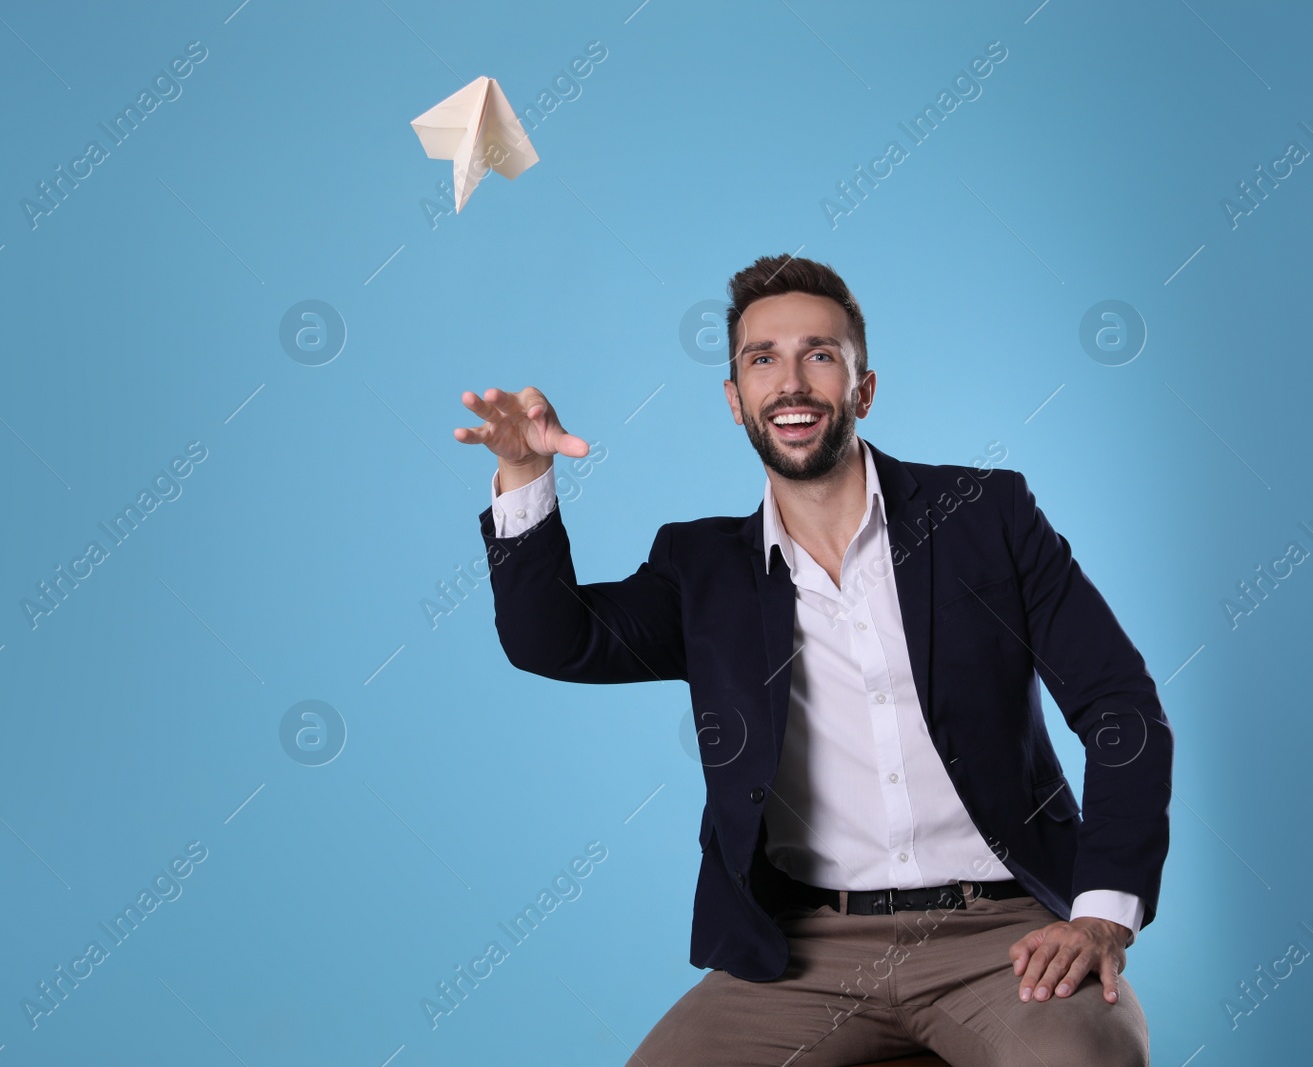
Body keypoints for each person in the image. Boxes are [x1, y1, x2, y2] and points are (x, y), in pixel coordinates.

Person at [451, 254, 1172, 1066]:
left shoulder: (986, 516)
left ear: (863, 389)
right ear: (735, 401)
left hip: (1002, 934)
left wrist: (1102, 910)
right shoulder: (701, 569)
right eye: (763, 359)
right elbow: (556, 639)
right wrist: (524, 471)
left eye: (819, 355)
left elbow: (1121, 708)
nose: (790, 382)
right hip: (802, 951)